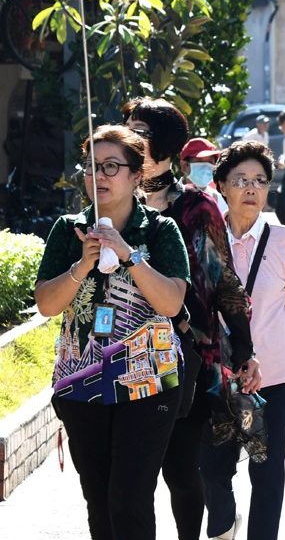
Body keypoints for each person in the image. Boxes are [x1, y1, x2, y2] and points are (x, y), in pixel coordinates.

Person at [34, 125, 192, 540]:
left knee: (129, 498)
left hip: (149, 383)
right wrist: (81, 265)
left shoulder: (160, 229)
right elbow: (47, 304)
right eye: (90, 166)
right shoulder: (68, 229)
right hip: (81, 383)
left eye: (110, 167)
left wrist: (129, 254)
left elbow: (171, 303)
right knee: (99, 500)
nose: (98, 176)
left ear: (137, 175)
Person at [124, 99, 260, 540]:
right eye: (126, 130)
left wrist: (244, 348)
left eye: (140, 132)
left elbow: (223, 280)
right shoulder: (114, 204)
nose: (129, 140)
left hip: (186, 355)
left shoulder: (195, 207)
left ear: (165, 144)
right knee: (130, 478)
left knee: (181, 473)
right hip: (121, 356)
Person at [202, 140, 285, 540]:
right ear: (221, 185)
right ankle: (225, 521)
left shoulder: (284, 239)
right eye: (241, 180)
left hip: (276, 376)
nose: (251, 188)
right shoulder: (204, 240)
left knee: (267, 470)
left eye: (260, 180)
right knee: (212, 468)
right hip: (218, 375)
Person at [180, 136, 228, 214]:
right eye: (200, 161)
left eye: (210, 162)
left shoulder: (221, 201)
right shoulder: (169, 198)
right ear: (184, 166)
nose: (206, 167)